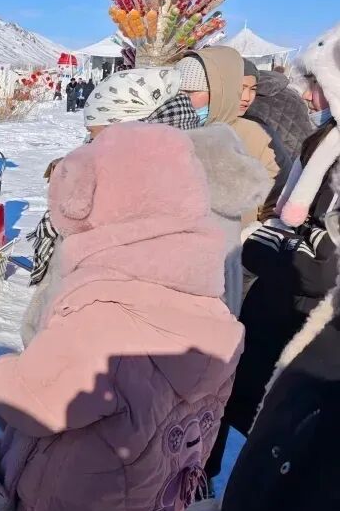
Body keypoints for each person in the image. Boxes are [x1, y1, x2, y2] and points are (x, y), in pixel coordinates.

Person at [0, 122, 244, 511]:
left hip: (71, 506)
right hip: (153, 505)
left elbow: (31, 401)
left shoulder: (104, 313)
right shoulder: (212, 307)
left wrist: (3, 371)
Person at [23, 67, 267, 345]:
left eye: (95, 134)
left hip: (112, 356)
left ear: (128, 130)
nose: (89, 145)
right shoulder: (201, 172)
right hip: (176, 357)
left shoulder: (139, 189)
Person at [204, 25, 340, 486]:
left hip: (309, 317)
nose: (311, 98)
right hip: (277, 304)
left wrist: (275, 246)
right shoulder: (322, 140)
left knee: (287, 438)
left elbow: (322, 258)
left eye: (320, 85)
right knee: (247, 408)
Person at [177, 47, 280, 222]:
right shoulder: (168, 129)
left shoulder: (255, 134)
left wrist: (256, 230)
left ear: (222, 91)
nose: (246, 97)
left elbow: (274, 194)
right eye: (178, 91)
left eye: (190, 92)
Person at [241, 60, 313, 217]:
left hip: (271, 184)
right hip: (295, 172)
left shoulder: (248, 110)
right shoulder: (293, 95)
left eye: (251, 89)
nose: (246, 96)